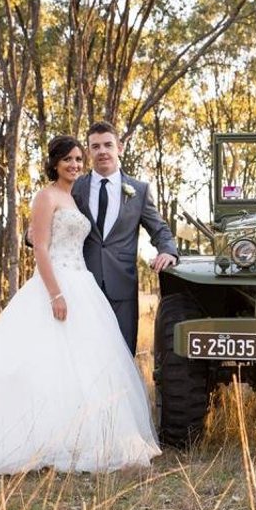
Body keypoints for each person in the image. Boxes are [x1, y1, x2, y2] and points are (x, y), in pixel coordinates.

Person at [0, 136, 161, 475]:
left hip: (83, 285)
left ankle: (78, 436)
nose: (75, 165)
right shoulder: (45, 196)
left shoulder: (75, 196)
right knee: (40, 363)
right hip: (57, 285)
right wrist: (55, 294)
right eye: (67, 159)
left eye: (78, 159)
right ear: (54, 164)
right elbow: (40, 247)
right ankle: (26, 438)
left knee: (83, 367)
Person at [71, 122, 179, 356]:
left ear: (119, 147)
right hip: (82, 284)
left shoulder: (139, 190)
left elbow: (159, 228)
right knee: (82, 355)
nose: (102, 151)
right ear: (89, 151)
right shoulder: (76, 187)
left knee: (121, 354)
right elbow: (56, 218)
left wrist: (168, 251)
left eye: (107, 145)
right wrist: (33, 236)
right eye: (95, 146)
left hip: (122, 286)